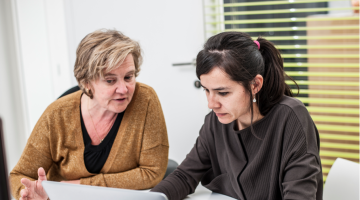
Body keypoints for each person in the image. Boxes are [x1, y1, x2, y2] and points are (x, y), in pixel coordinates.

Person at [151, 31, 323, 200]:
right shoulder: (216, 121)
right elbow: (184, 176)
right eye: (206, 90)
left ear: (255, 84)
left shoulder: (291, 118)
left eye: (223, 93)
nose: (211, 104)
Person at [10, 29, 169, 200]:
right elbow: (20, 175)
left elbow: (152, 172)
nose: (123, 89)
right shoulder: (56, 114)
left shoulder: (145, 100)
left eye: (128, 77)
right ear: (86, 82)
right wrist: (27, 194)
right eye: (110, 80)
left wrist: (79, 186)